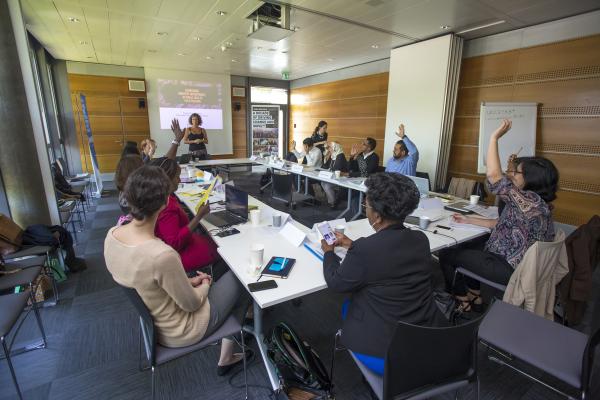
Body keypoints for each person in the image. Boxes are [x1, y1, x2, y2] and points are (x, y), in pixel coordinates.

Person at [104, 166, 248, 375]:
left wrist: (188, 282)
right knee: (242, 275)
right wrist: (206, 285)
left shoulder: (112, 235)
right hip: (183, 330)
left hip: (156, 325)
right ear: (165, 202)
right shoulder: (161, 254)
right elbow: (191, 304)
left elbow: (149, 284)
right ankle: (227, 353)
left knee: (223, 277)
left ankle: (233, 326)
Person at [321, 172, 446, 375]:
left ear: (377, 216)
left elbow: (336, 283)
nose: (366, 209)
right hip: (424, 337)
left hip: (384, 350)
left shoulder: (365, 250)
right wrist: (351, 244)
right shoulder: (420, 239)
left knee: (347, 305)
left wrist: (329, 253)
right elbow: (389, 259)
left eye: (366, 206)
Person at [440, 119, 559, 312]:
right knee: (469, 246)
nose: (512, 175)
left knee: (447, 253)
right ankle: (475, 296)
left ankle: (462, 301)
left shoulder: (527, 201)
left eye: (517, 173)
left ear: (531, 178)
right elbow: (501, 223)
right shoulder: (537, 202)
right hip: (513, 260)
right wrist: (469, 219)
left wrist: (494, 137)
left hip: (509, 267)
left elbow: (495, 178)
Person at [150, 157, 220, 276]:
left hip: (181, 247)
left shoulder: (162, 197)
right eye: (177, 176)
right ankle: (213, 278)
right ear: (166, 179)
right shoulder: (166, 207)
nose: (179, 180)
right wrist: (198, 216)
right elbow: (174, 243)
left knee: (213, 240)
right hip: (179, 256)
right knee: (221, 249)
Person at [116, 119, 183, 226]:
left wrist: (177, 140)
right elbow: (163, 165)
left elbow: (163, 163)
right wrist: (177, 140)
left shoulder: (126, 191)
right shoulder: (140, 192)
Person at [321, 142, 348, 209]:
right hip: (334, 177)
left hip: (342, 178)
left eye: (330, 147)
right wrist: (326, 158)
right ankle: (331, 201)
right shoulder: (333, 155)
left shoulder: (340, 156)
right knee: (323, 183)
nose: (329, 149)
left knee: (327, 185)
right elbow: (324, 166)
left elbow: (336, 168)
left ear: (335, 148)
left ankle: (334, 202)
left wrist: (330, 169)